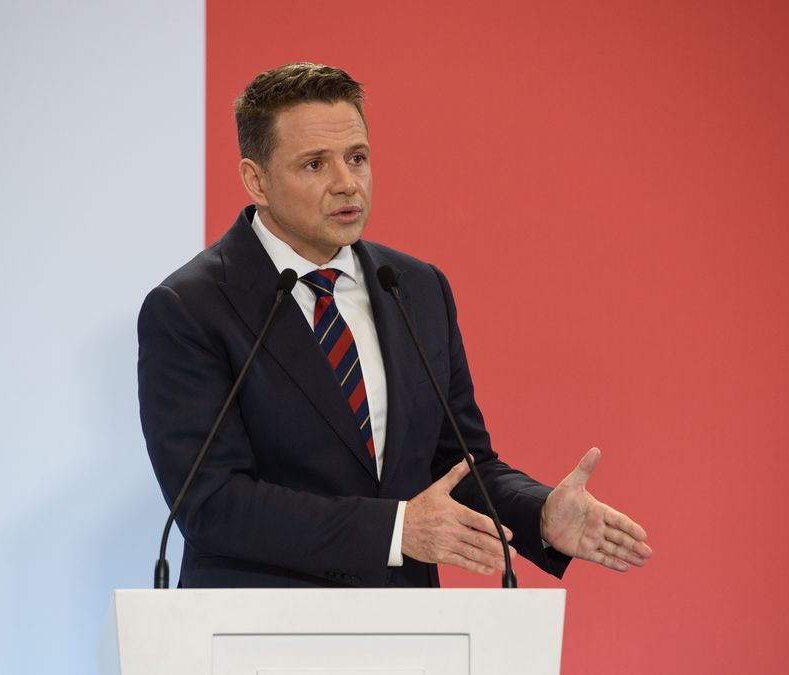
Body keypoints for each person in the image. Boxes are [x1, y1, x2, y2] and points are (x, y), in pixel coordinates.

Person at [138, 62, 652, 588]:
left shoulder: (415, 288)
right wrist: (396, 529)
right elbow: (212, 503)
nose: (347, 183)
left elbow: (458, 464)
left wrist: (538, 514)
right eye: (315, 164)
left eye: (356, 158)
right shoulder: (189, 307)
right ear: (256, 180)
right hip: (257, 622)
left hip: (408, 620)